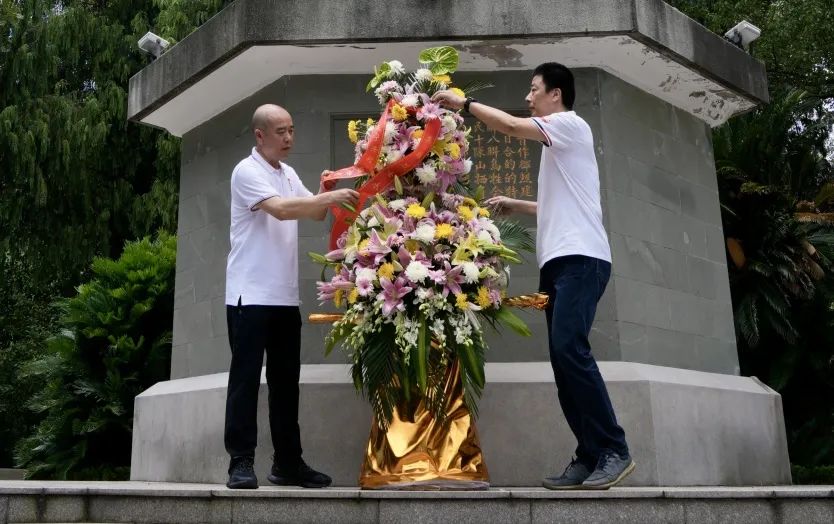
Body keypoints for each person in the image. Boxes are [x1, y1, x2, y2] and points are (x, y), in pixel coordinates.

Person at [433, 63, 635, 490]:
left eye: (534, 89)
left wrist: (464, 104)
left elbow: (508, 126)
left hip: (582, 259)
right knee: (563, 362)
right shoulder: (560, 144)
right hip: (561, 263)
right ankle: (589, 454)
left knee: (570, 349)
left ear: (555, 94)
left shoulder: (569, 125)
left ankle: (614, 449)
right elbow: (562, 205)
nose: (528, 97)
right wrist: (518, 204)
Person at [224, 104, 359, 489]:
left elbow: (313, 214)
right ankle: (240, 461)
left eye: (291, 130)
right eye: (280, 131)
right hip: (249, 295)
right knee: (245, 381)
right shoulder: (246, 171)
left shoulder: (287, 173)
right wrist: (327, 200)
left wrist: (324, 191)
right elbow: (282, 210)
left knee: (286, 384)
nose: (288, 138)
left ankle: (287, 463)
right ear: (260, 135)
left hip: (283, 298)